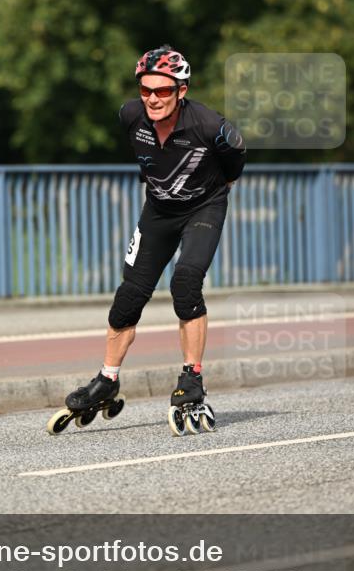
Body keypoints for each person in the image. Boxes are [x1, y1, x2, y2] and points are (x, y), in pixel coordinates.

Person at [63, 44, 246, 427]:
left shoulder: (210, 126)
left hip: (203, 209)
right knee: (129, 295)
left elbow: (235, 164)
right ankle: (107, 379)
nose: (152, 98)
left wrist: (214, 189)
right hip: (158, 212)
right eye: (146, 90)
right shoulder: (130, 116)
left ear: (181, 91)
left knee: (185, 282)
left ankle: (192, 377)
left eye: (163, 91)